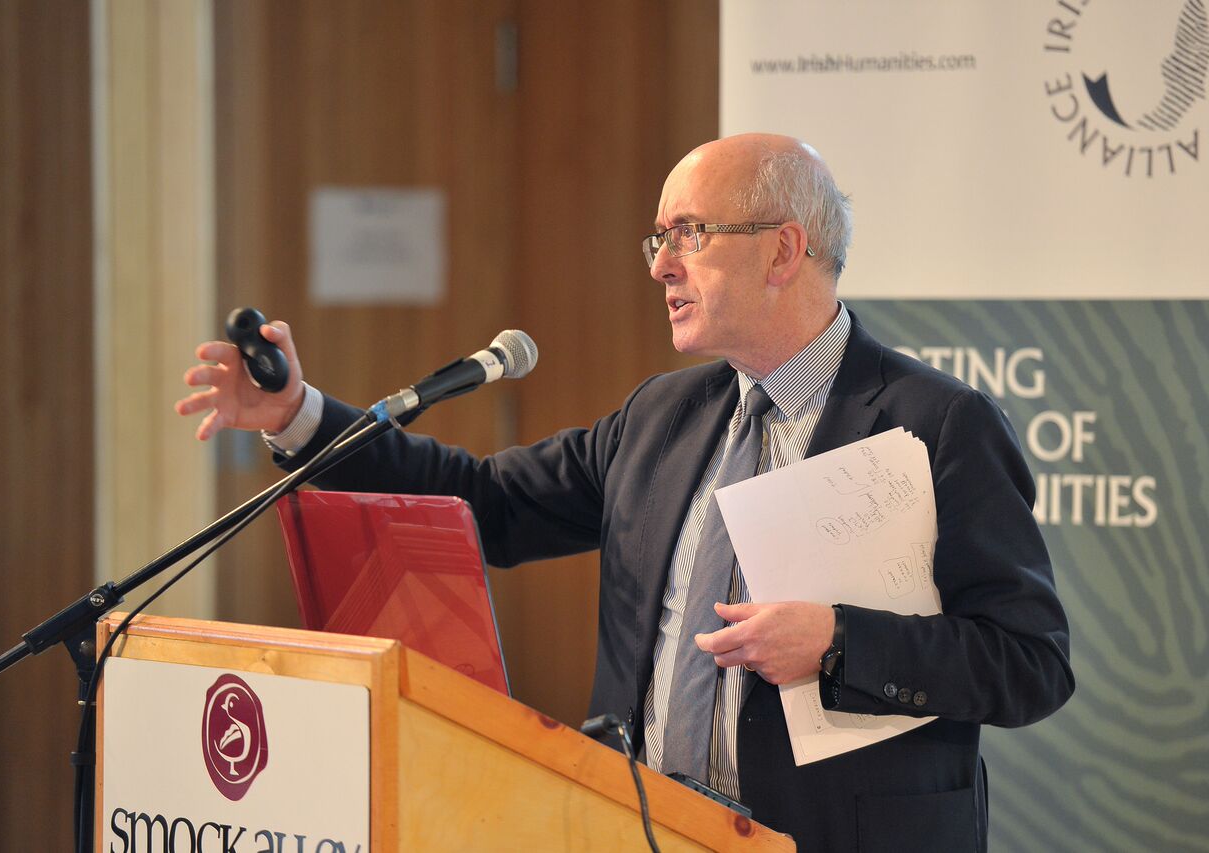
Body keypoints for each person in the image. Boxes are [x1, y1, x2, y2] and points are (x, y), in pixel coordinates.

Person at [176, 133, 1073, 852]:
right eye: (659, 239)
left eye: (687, 233)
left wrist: (840, 641)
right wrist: (299, 416)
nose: (660, 266)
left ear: (782, 251)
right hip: (641, 827)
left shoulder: (934, 424)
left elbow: (1030, 662)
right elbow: (483, 501)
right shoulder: (662, 414)